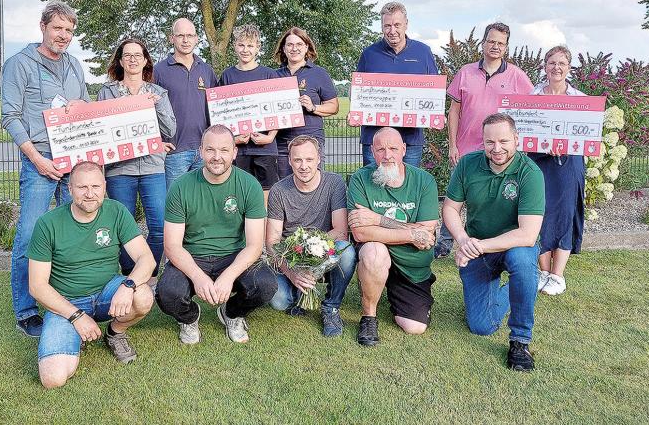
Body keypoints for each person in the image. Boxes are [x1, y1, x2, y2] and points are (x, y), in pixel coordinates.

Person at [1, 0, 91, 337]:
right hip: (39, 160)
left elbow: (84, 106)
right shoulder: (19, 64)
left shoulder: (74, 66)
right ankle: (26, 311)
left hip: (72, 161)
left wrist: (83, 106)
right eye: (58, 28)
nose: (64, 35)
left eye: (69, 30)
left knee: (74, 234)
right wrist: (37, 160)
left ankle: (70, 299)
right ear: (43, 26)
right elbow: (9, 116)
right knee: (30, 236)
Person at [27, 161, 156, 388]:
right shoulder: (48, 224)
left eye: (96, 187)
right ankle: (77, 333)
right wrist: (77, 317)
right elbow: (37, 287)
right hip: (66, 303)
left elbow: (147, 259)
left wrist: (128, 286)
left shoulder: (116, 211)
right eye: (82, 187)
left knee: (142, 295)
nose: (90, 194)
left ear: (104, 186)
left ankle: (115, 333)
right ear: (69, 189)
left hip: (107, 293)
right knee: (53, 379)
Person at [155, 125, 278, 344]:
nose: (217, 157)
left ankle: (231, 313)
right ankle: (190, 317)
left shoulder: (249, 185)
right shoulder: (181, 187)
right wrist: (198, 276)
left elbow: (254, 245)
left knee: (266, 285)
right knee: (167, 293)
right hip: (193, 256)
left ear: (234, 152)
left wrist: (229, 276)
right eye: (210, 150)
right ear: (201, 151)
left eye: (223, 150)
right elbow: (172, 246)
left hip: (234, 255)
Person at [443, 113, 545, 372]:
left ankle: (520, 341)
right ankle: (522, 288)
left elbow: (527, 234)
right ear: (483, 142)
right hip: (478, 246)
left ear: (516, 139)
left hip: (513, 246)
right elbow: (450, 209)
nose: (496, 148)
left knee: (522, 261)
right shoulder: (467, 165)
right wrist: (463, 239)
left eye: (503, 141)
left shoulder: (530, 173)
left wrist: (475, 246)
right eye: (490, 142)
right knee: (481, 326)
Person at [439, 21, 534, 258]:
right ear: (483, 43)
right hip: (467, 149)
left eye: (501, 43)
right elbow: (454, 111)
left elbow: (533, 109)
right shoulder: (465, 72)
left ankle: (493, 243)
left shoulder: (517, 77)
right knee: (456, 198)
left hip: (501, 151)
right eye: (491, 41)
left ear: (506, 47)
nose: (495, 46)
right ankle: (444, 243)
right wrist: (452, 144)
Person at [348, 127, 440, 347]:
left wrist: (378, 220)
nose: (387, 155)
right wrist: (411, 234)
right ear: (372, 151)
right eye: (380, 149)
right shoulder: (360, 179)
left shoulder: (424, 181)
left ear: (404, 150)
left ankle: (393, 290)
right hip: (378, 257)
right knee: (373, 250)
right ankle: (369, 316)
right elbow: (360, 232)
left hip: (412, 265)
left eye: (393, 148)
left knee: (414, 327)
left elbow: (427, 230)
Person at [98, 37, 177, 282]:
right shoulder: (107, 93)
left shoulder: (157, 92)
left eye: (137, 55)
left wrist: (157, 106)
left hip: (152, 166)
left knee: (159, 226)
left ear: (145, 61)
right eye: (127, 55)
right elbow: (101, 130)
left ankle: (148, 274)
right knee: (124, 226)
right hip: (119, 170)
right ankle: (128, 274)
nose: (132, 59)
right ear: (120, 61)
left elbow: (170, 129)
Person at [266, 135, 355, 337]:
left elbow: (340, 231)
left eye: (309, 159)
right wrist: (292, 272)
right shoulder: (279, 191)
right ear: (289, 161)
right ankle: (297, 293)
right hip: (290, 255)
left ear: (319, 159)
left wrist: (311, 250)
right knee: (280, 302)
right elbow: (272, 242)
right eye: (297, 160)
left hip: (324, 251)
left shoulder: (334, 183)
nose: (303, 166)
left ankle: (331, 306)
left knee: (347, 252)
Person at [529, 45, 586, 296]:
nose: (556, 68)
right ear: (545, 66)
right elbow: (524, 133)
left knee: (564, 213)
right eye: (552, 63)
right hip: (539, 163)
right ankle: (543, 271)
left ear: (569, 68)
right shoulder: (532, 97)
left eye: (562, 63)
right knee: (540, 212)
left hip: (569, 165)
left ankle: (558, 275)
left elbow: (587, 137)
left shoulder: (581, 100)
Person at [355, 1, 440, 167]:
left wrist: (434, 114)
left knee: (408, 185)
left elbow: (434, 92)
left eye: (397, 25)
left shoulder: (423, 52)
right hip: (374, 137)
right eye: (387, 25)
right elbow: (358, 92)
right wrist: (357, 111)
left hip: (410, 138)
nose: (392, 31)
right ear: (381, 26)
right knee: (373, 186)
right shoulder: (368, 54)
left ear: (406, 24)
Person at [153, 18, 219, 190]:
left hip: (204, 149)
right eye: (180, 35)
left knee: (202, 201)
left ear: (197, 38)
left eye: (190, 35)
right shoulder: (158, 71)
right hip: (174, 151)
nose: (185, 40)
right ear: (171, 38)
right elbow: (149, 110)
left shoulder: (206, 70)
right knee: (176, 202)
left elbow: (217, 108)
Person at [219, 24, 280, 201]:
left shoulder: (269, 75)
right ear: (234, 46)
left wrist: (270, 136)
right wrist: (233, 139)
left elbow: (279, 110)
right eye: (241, 45)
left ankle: (264, 228)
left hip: (265, 148)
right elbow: (221, 113)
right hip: (239, 148)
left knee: (266, 195)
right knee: (239, 193)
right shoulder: (227, 76)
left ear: (258, 47)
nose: (245, 50)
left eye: (250, 45)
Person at [272, 27, 339, 179]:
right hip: (282, 142)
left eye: (299, 44)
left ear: (307, 47)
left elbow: (334, 107)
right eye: (289, 45)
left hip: (311, 138)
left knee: (311, 183)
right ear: (283, 48)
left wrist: (313, 107)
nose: (294, 48)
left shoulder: (319, 73)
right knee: (284, 185)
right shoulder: (273, 75)